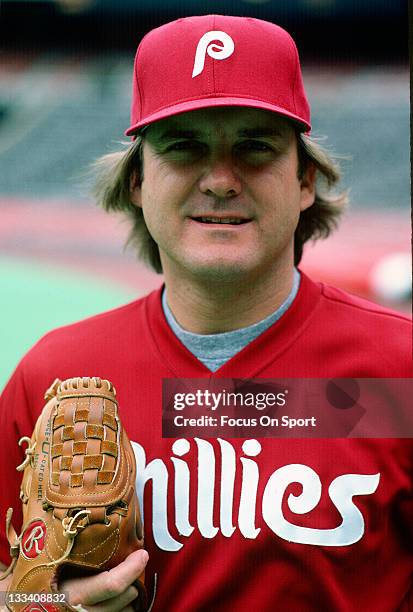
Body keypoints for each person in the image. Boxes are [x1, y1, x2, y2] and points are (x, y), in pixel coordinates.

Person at [0, 14, 412, 612]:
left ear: (305, 180)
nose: (220, 180)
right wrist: (37, 606)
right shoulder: (56, 376)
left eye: (255, 147)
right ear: (138, 180)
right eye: (185, 146)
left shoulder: (399, 371)